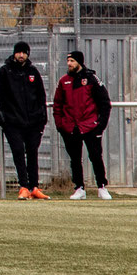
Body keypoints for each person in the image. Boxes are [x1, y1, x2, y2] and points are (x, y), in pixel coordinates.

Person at [52, 49, 112, 200]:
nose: (69, 64)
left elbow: (105, 103)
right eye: (68, 61)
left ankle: (101, 187)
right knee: (75, 159)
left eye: (72, 61)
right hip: (70, 127)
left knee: (96, 157)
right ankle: (79, 188)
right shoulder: (64, 81)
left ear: (79, 62)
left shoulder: (91, 79)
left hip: (90, 125)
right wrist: (60, 125)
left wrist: (100, 126)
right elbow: (57, 104)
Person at [0, 41, 50, 199]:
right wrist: (4, 121)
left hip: (33, 123)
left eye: (24, 52)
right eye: (18, 52)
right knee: (18, 152)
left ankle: (34, 187)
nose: (21, 55)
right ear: (14, 53)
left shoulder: (33, 72)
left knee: (32, 153)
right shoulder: (5, 72)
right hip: (13, 123)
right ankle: (23, 186)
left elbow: (41, 97)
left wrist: (42, 120)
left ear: (28, 54)